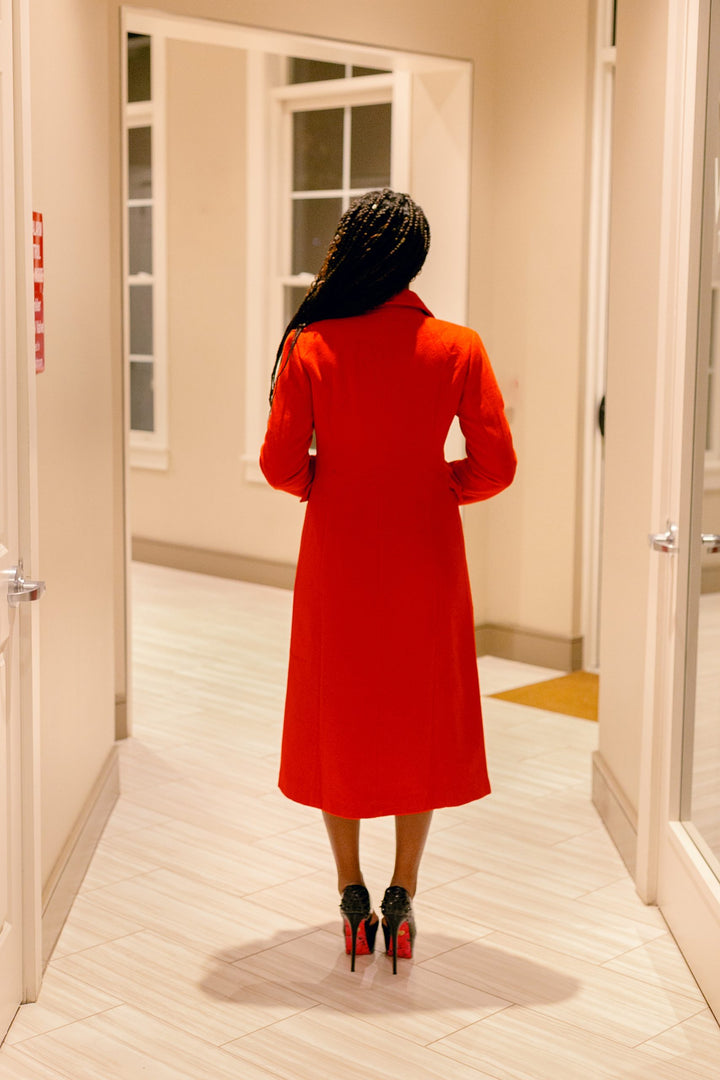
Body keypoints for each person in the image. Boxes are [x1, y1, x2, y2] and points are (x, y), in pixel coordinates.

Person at [260, 189, 516, 973]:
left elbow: (277, 463)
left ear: (351, 253)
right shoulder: (458, 346)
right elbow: (497, 465)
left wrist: (326, 485)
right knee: (418, 712)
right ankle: (403, 892)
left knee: (341, 708)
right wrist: (439, 488)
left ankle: (350, 891)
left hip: (338, 552)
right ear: (416, 261)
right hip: (425, 553)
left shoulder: (310, 346)